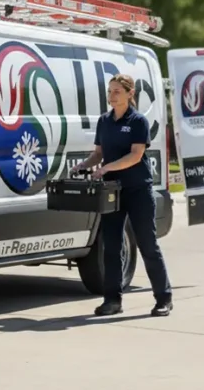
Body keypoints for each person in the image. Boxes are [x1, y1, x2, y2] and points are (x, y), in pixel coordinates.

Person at [71, 73, 173, 317]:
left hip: (138, 190)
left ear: (130, 94)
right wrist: (84, 165)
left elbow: (136, 155)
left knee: (148, 245)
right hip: (112, 192)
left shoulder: (138, 121)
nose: (112, 96)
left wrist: (107, 167)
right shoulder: (104, 121)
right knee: (111, 246)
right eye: (110, 91)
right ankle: (112, 300)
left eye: (117, 91)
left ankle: (163, 298)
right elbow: (99, 153)